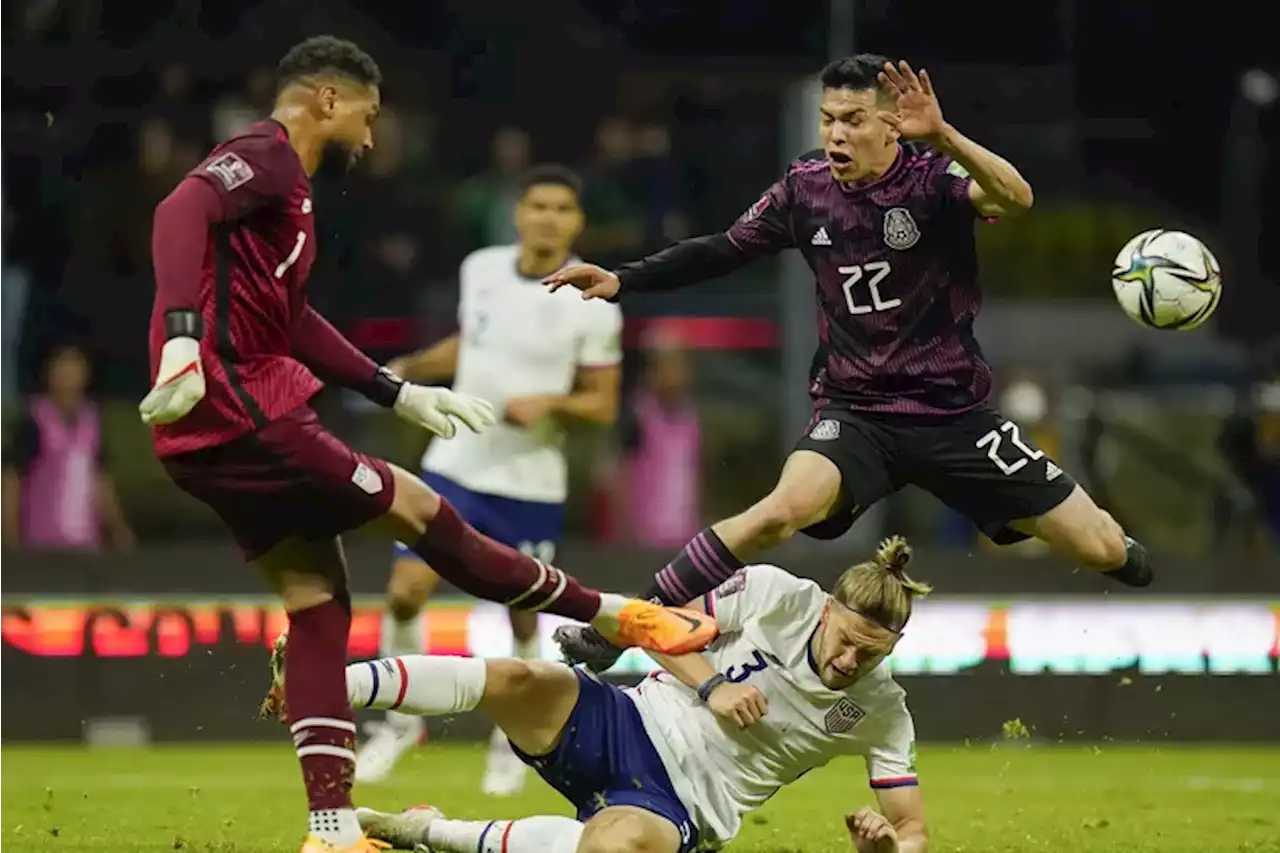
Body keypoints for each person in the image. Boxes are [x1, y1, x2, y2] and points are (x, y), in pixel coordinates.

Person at [140, 36, 716, 853]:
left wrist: (394, 387)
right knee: (421, 509)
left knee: (316, 601)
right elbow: (177, 211)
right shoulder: (266, 156)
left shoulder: (288, 196)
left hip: (215, 425)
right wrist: (183, 336)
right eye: (369, 117)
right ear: (330, 101)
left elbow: (293, 320)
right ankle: (614, 614)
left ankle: (333, 833)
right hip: (239, 404)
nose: (374, 138)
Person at [547, 54, 1153, 673]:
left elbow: (1016, 197)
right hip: (856, 413)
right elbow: (723, 249)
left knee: (1103, 549)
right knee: (777, 511)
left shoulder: (933, 181)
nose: (836, 133)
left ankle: (1114, 545)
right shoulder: (804, 189)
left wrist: (943, 134)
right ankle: (624, 627)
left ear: (893, 126)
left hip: (954, 418)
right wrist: (623, 279)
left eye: (854, 120)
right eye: (828, 119)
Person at [269, 537, 930, 853]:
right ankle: (327, 685)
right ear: (826, 609)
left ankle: (421, 831)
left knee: (608, 848)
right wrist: (716, 683)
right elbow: (661, 625)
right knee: (518, 677)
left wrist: (890, 848)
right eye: (845, 638)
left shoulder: (881, 711)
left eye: (869, 653)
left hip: (679, 805)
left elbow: (914, 827)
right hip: (626, 717)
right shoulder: (774, 593)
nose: (849, 659)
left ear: (891, 650)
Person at [356, 164, 623, 793]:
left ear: (577, 223)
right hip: (455, 463)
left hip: (530, 480)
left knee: (524, 616)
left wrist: (550, 404)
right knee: (404, 591)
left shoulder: (593, 304)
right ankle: (396, 723)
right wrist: (409, 369)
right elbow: (471, 346)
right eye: (539, 205)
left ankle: (515, 738)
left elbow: (603, 404)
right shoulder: (480, 268)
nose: (548, 217)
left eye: (562, 208)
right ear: (519, 213)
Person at [1, 344, 134, 551]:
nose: (68, 377)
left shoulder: (92, 419)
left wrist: (119, 530)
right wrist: (10, 538)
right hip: (41, 546)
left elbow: (99, 480)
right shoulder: (33, 421)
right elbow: (11, 479)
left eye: (74, 369)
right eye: (61, 369)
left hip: (86, 544)